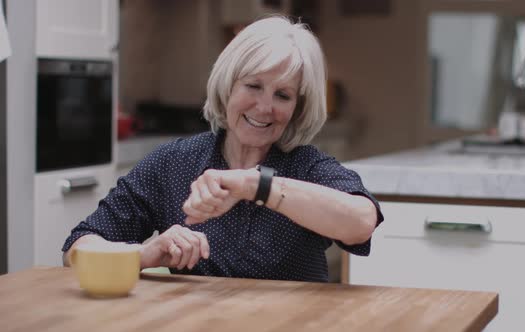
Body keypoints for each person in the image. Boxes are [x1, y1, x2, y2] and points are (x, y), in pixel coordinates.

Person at [62, 16, 383, 282]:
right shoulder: (173, 164)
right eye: (253, 86)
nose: (264, 107)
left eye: (283, 95)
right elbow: (77, 248)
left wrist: (257, 185)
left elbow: (361, 222)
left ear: (297, 108)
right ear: (228, 85)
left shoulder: (307, 167)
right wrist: (144, 254)